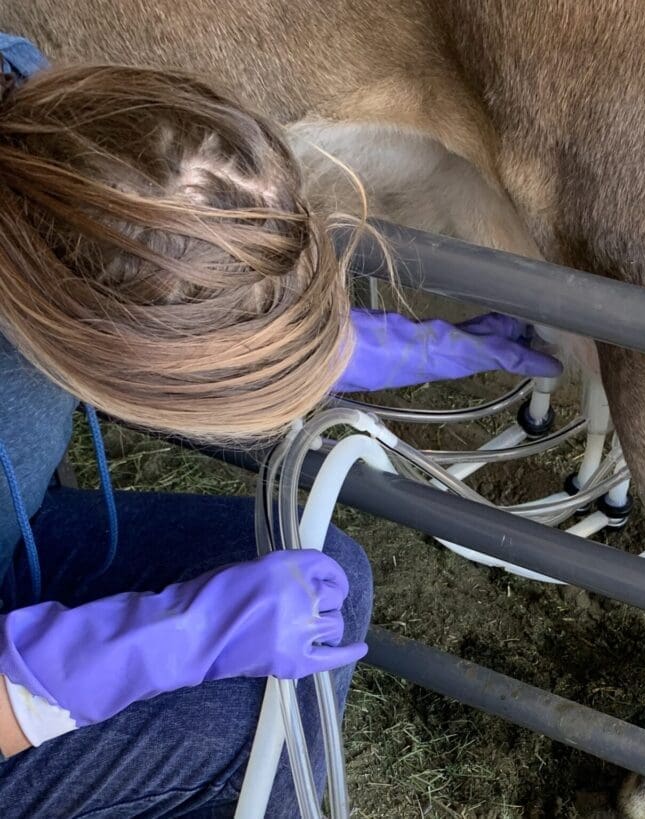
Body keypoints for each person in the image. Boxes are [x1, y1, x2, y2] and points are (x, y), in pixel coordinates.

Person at [0, 36, 560, 818]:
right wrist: (167, 640)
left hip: (18, 532)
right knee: (243, 724)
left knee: (328, 573)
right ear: (89, 343)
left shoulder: (40, 133)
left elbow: (165, 278)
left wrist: (413, 347)